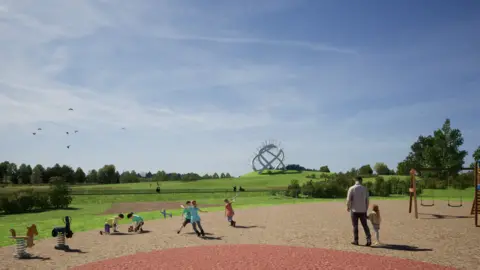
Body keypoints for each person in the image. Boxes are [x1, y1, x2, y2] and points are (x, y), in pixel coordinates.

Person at [346, 176, 372, 246]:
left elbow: (348, 200)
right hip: (363, 210)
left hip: (354, 210)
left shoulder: (351, 188)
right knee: (365, 226)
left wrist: (348, 207)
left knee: (355, 226)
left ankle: (356, 240)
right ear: (361, 180)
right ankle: (368, 239)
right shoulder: (365, 189)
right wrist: (365, 209)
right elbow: (367, 201)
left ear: (355, 180)